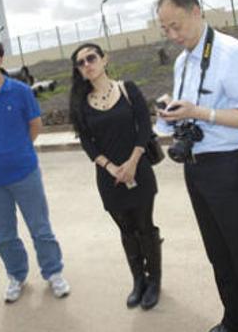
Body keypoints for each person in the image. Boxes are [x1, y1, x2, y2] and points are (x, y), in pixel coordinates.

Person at [155, 0, 238, 332]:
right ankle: (235, 321)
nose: (172, 35)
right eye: (165, 29)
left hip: (229, 167)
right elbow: (188, 109)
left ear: (196, 11)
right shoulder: (183, 61)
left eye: (176, 25)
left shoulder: (230, 52)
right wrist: (172, 114)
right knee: (219, 255)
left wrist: (201, 112)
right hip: (197, 168)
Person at [0, 37, 70, 303]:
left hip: (25, 172)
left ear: (0, 59)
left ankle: (53, 272)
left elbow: (35, 125)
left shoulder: (21, 91)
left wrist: (19, 148)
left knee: (40, 227)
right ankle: (16, 276)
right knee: (3, 235)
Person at [68, 43, 161, 310]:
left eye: (91, 58)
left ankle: (154, 281)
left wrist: (131, 163)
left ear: (104, 59)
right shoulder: (81, 104)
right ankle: (138, 281)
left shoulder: (127, 89)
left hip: (138, 170)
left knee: (144, 225)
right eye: (81, 62)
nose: (87, 64)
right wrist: (111, 168)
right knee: (126, 229)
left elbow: (144, 127)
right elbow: (88, 143)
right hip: (108, 177)